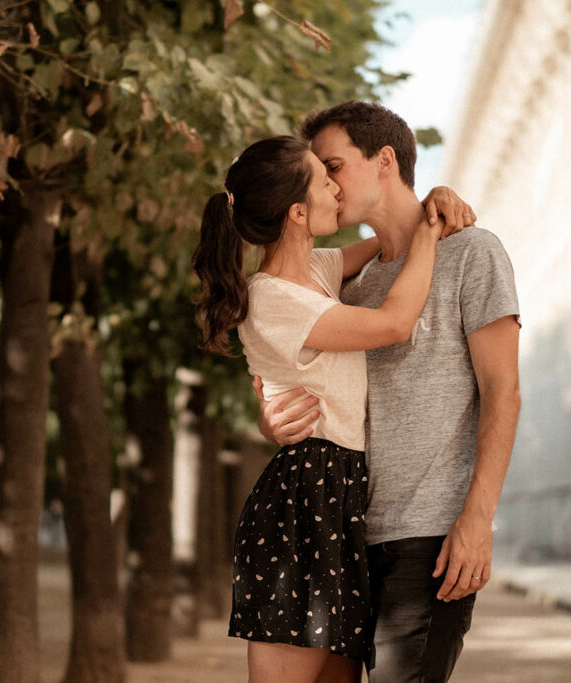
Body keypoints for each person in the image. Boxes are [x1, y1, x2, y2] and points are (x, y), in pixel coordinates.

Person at [254, 101, 521, 683]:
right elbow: (305, 384)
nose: (327, 185)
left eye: (333, 166)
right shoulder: (346, 283)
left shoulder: (473, 253)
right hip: (345, 533)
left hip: (429, 537)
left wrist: (477, 518)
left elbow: (503, 393)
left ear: (383, 161)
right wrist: (270, 417)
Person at [193, 135, 474, 683]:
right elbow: (394, 322)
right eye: (325, 178)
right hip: (303, 500)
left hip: (343, 498)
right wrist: (432, 231)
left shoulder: (318, 273)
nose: (335, 187)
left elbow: (387, 240)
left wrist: (431, 200)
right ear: (299, 212)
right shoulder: (270, 298)